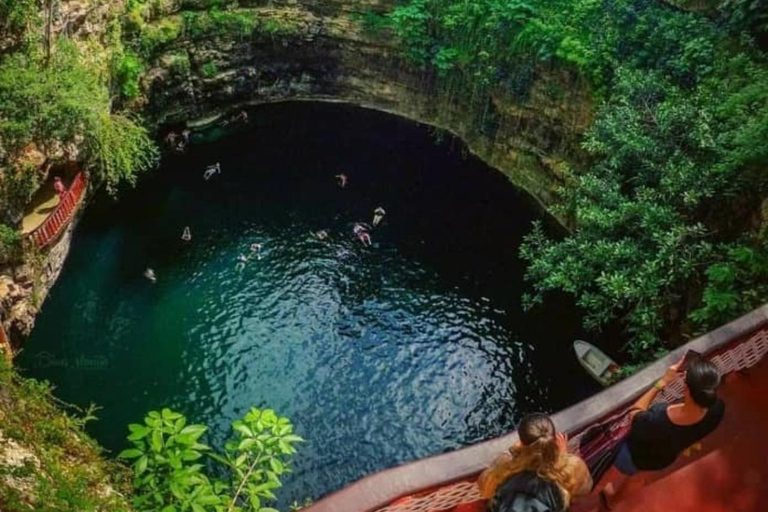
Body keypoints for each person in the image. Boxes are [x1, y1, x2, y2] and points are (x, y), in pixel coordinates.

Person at [599, 355, 724, 510]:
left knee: (607, 476)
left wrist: (662, 382)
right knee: (639, 478)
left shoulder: (659, 417)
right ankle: (613, 502)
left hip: (632, 454)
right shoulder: (717, 409)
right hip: (663, 458)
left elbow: (634, 412)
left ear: (686, 389)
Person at [478, 413, 592, 512]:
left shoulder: (503, 467)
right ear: (553, 439)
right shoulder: (572, 467)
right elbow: (586, 487)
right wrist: (563, 457)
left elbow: (484, 488)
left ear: (521, 442)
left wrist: (509, 453)